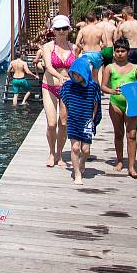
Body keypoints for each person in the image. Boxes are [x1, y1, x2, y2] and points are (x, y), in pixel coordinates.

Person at [101, 38, 137, 178]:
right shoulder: (110, 68)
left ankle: (132, 167)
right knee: (119, 134)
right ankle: (120, 160)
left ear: (128, 52)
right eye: (117, 51)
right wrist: (112, 91)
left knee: (132, 135)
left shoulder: (135, 68)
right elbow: (103, 86)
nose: (120, 53)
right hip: (116, 104)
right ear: (114, 52)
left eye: (123, 51)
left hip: (132, 105)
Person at [60, 56, 102, 185]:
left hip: (86, 121)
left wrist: (93, 120)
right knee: (75, 148)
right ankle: (77, 173)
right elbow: (63, 100)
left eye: (79, 74)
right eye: (73, 74)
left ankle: (82, 162)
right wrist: (63, 118)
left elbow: (96, 104)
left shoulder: (93, 87)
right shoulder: (68, 86)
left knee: (85, 150)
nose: (76, 77)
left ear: (85, 73)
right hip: (73, 120)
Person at [40, 14, 75, 168]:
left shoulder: (74, 47)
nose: (61, 31)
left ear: (68, 29)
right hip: (49, 85)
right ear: (53, 30)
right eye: (58, 29)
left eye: (64, 28)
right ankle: (51, 152)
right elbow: (48, 66)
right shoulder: (48, 46)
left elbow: (78, 68)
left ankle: (60, 154)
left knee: (64, 122)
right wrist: (59, 77)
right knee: (52, 123)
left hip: (68, 87)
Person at [76, 12, 110, 83]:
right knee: (95, 75)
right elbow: (105, 44)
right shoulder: (100, 30)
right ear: (95, 19)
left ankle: (86, 91)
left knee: (85, 75)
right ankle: (96, 92)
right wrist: (100, 47)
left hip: (86, 53)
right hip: (97, 53)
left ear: (86, 19)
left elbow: (77, 43)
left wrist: (82, 47)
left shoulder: (83, 30)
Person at [114, 6, 137, 72]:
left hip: (129, 51)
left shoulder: (123, 25)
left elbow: (118, 41)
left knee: (128, 71)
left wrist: (116, 53)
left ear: (125, 14)